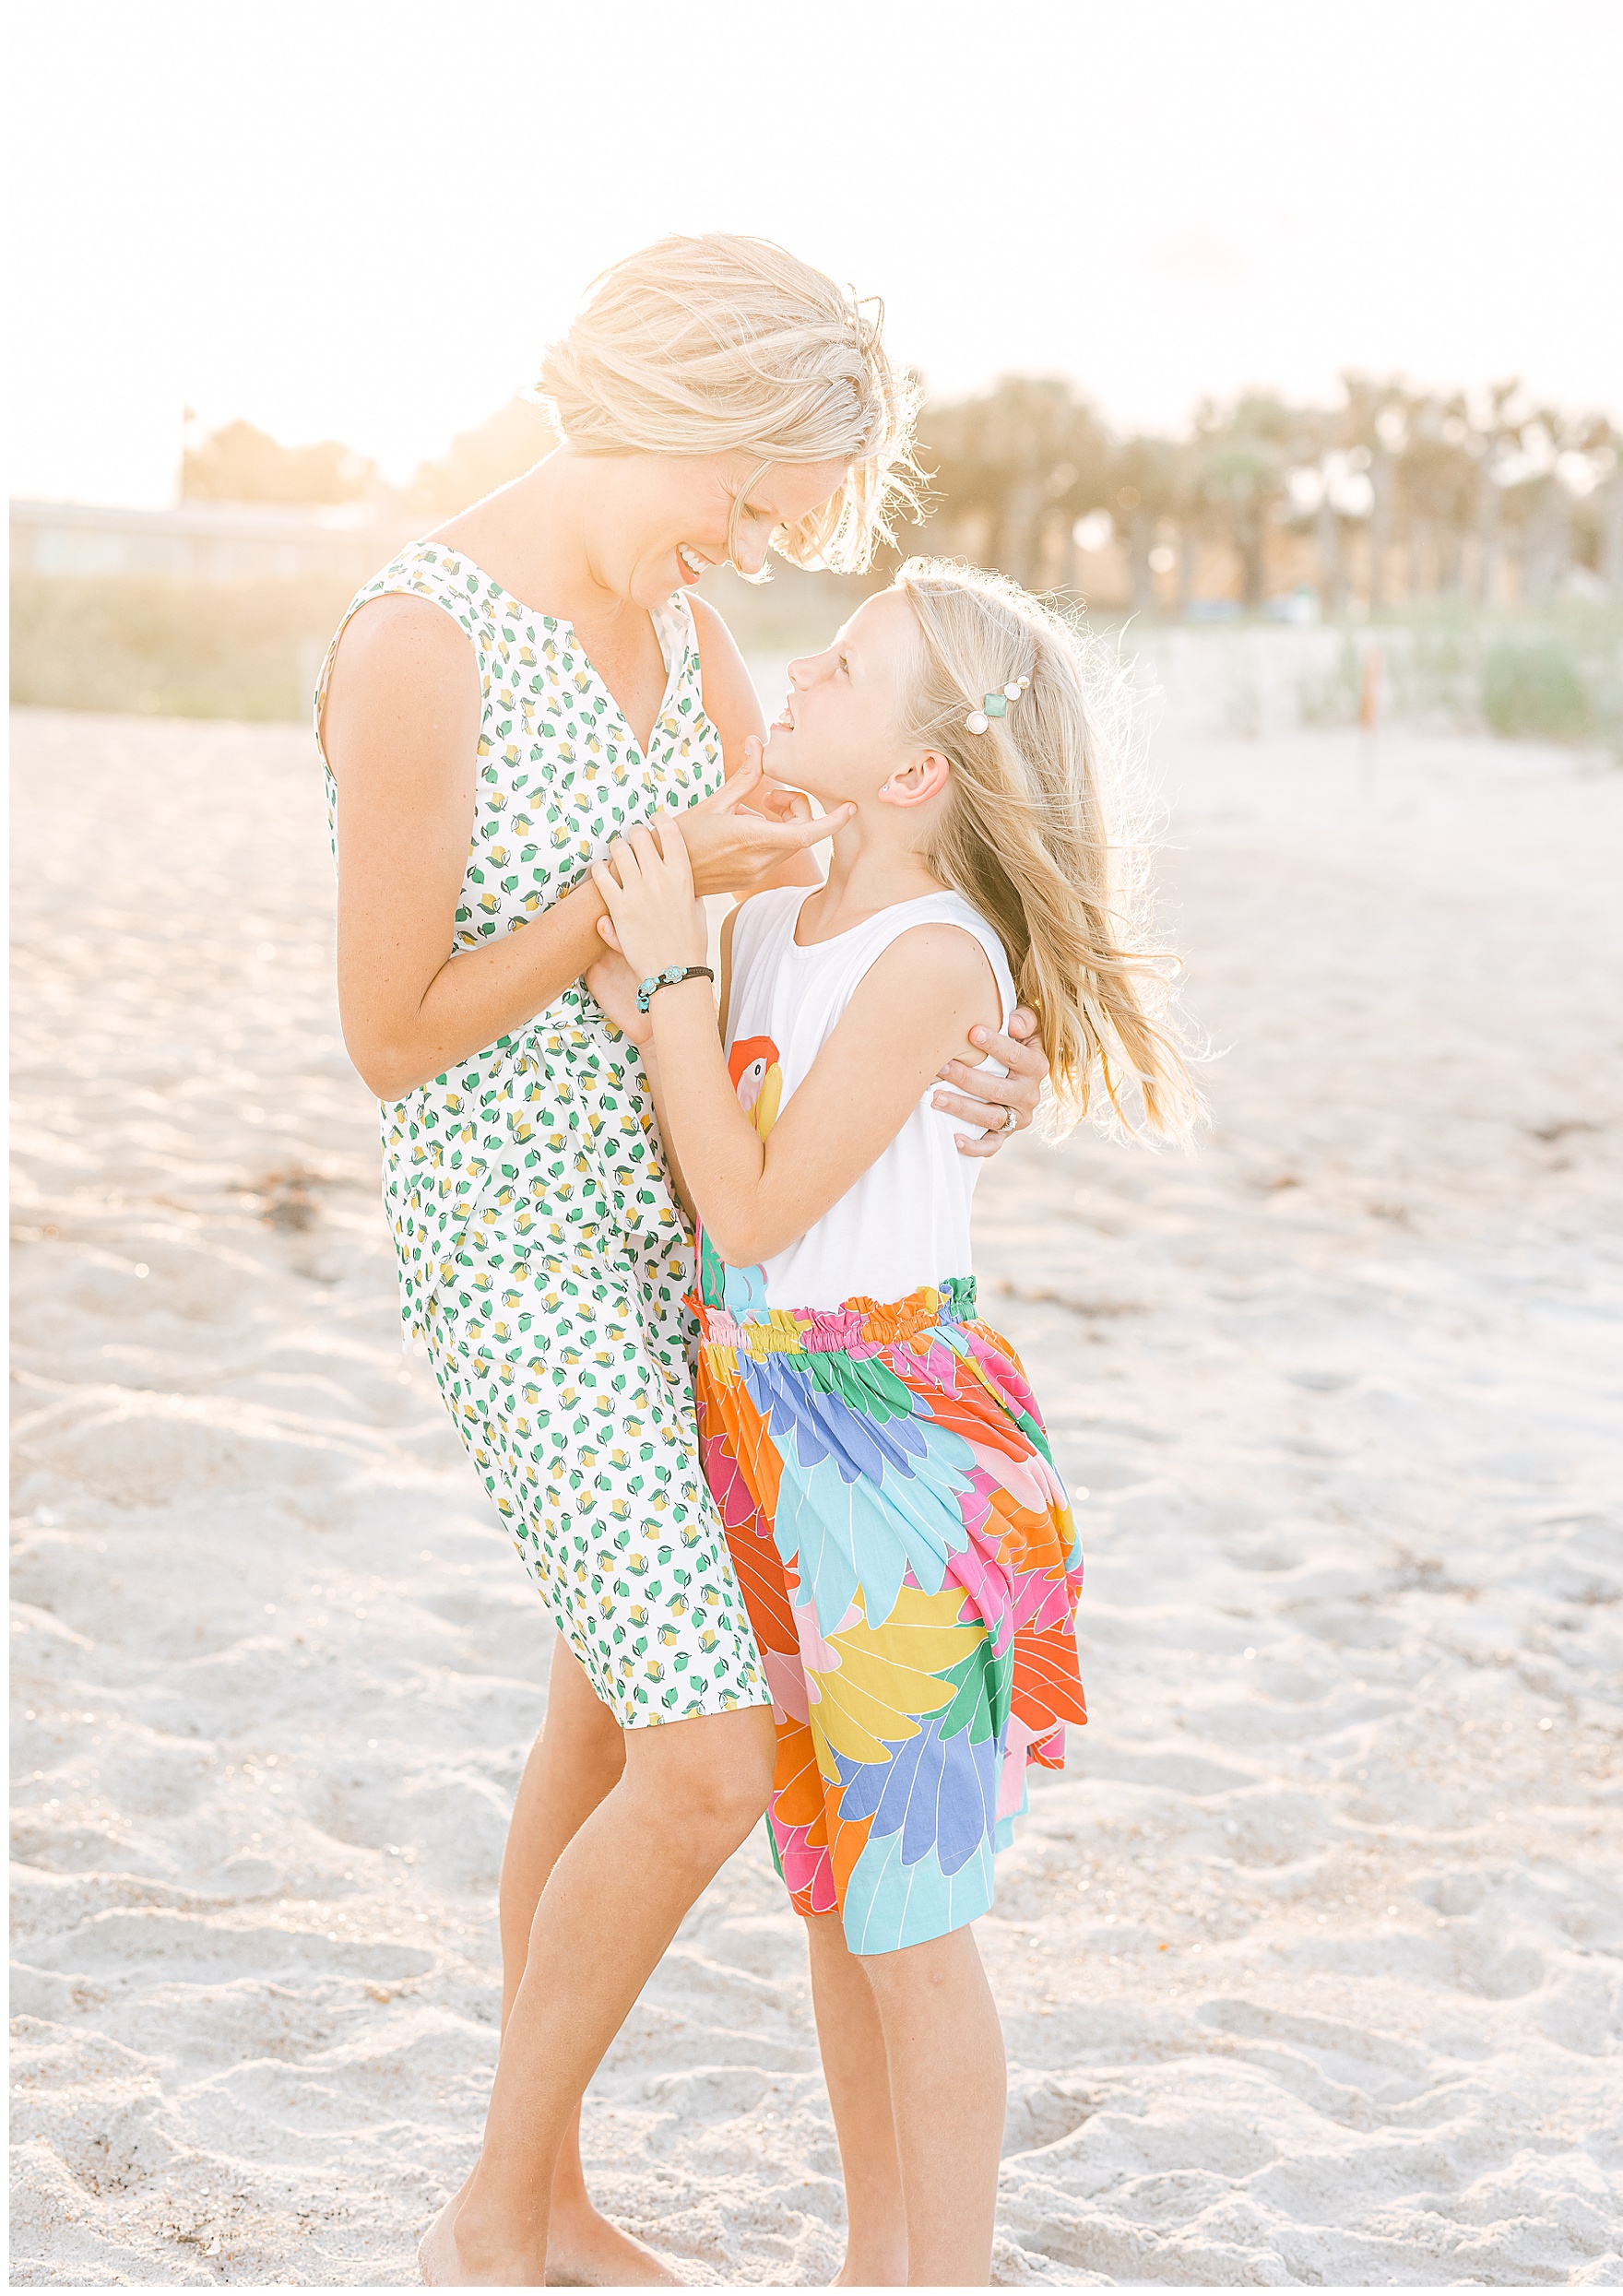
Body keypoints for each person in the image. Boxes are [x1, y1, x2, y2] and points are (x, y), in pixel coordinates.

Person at [313, 236, 1048, 2287]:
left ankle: (540, 2197)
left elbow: (831, 893)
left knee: (594, 1739)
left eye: (774, 525)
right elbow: (393, 1033)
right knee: (707, 1760)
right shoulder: (418, 643)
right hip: (528, 1258)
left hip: (701, 1258)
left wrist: (983, 1043)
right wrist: (622, 920)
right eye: (740, 497)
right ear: (665, 413)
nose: (743, 548)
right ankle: (496, 2213)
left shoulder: (697, 635)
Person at [585, 556, 1197, 2285]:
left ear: (920, 774)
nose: (805, 671)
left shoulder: (934, 957)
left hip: (891, 1458)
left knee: (915, 1922)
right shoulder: (782, 908)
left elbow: (759, 1213)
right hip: (763, 1442)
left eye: (846, 671)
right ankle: (876, 2264)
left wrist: (663, 980)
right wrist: (698, 947)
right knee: (838, 1906)